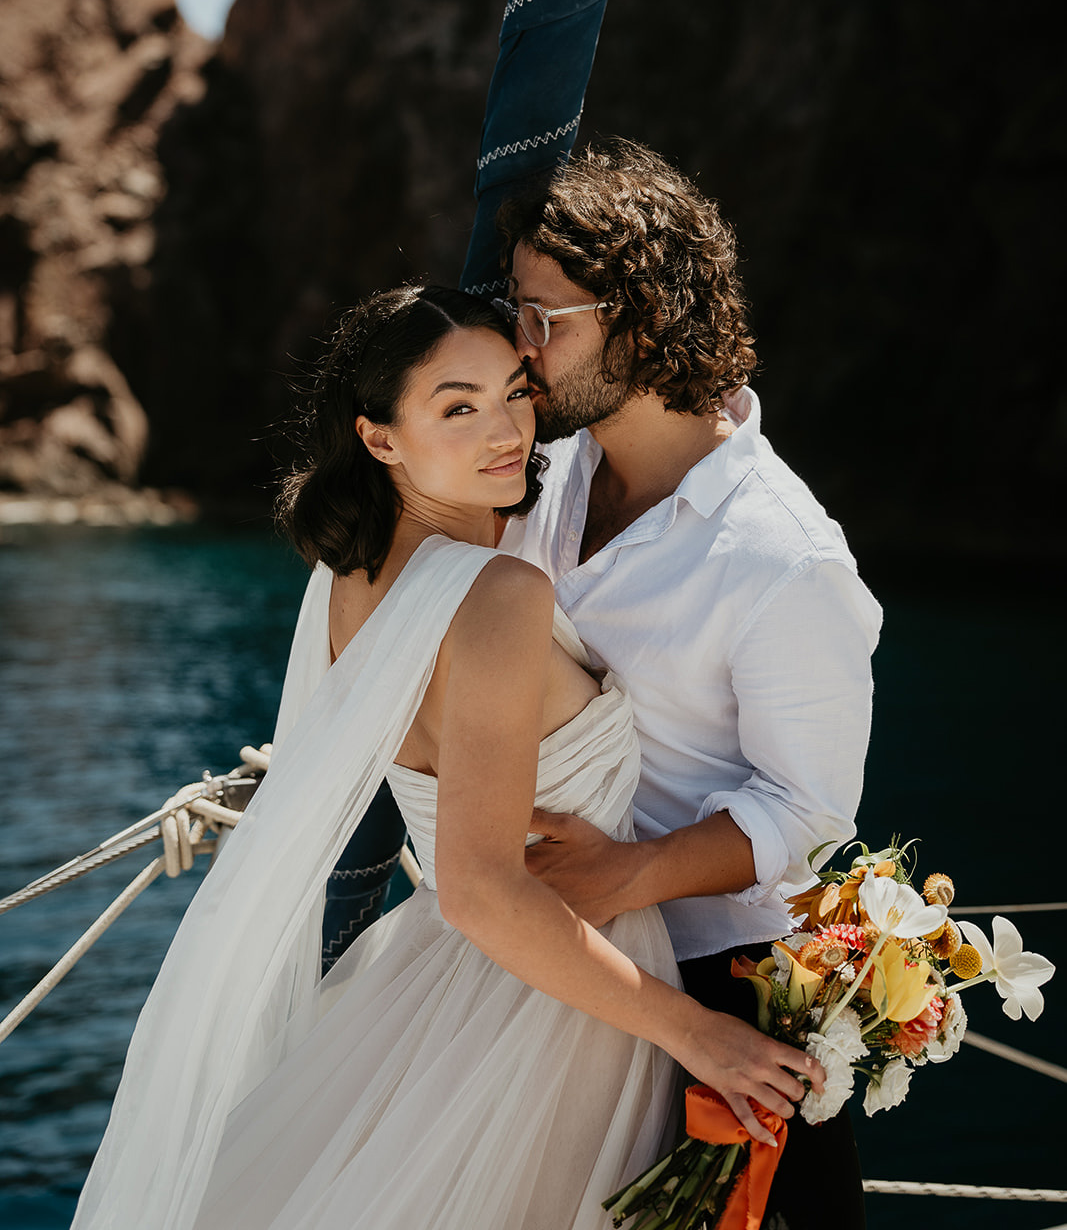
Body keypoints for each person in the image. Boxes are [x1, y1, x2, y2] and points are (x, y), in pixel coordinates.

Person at [71, 284, 822, 1230]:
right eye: (457, 408)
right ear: (380, 437)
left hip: (433, 985)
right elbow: (477, 887)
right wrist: (699, 1036)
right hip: (560, 1010)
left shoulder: (347, 575)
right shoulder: (497, 594)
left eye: (514, 391)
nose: (507, 431)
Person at [493, 142, 882, 1230]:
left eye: (544, 317)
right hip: (562, 963)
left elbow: (808, 813)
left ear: (641, 317)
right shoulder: (544, 476)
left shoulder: (783, 556)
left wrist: (630, 873)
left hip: (722, 999)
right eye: (515, 311)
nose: (521, 352)